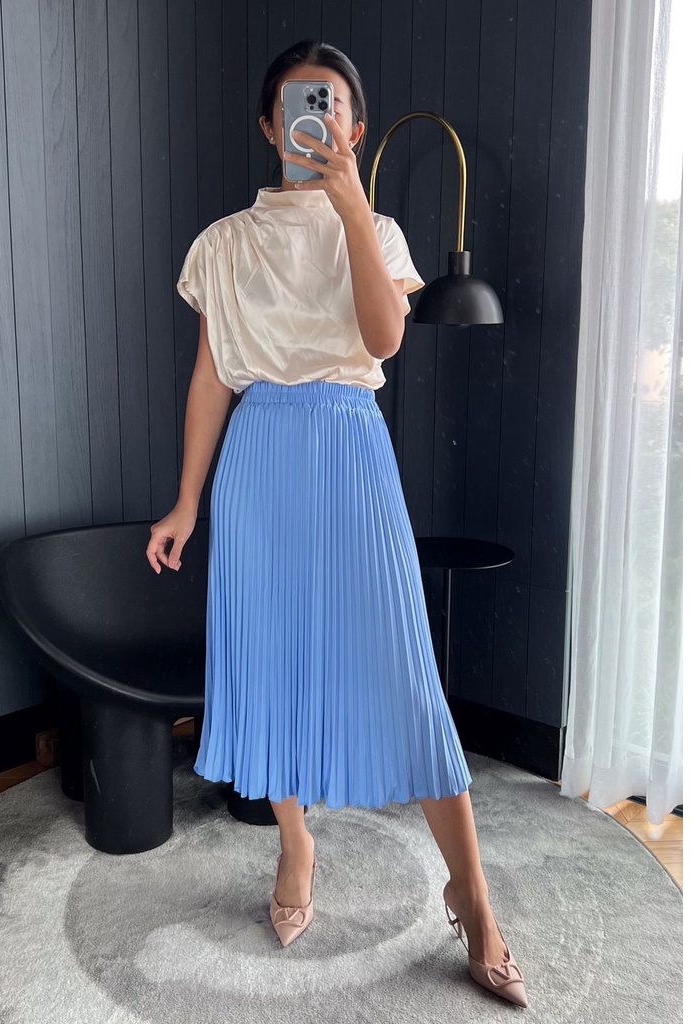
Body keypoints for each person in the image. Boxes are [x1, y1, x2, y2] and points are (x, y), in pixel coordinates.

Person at [146, 40, 527, 1009]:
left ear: (354, 127)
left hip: (351, 452)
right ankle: (296, 844)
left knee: (404, 672)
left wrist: (353, 207)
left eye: (334, 107)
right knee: (270, 660)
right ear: (270, 127)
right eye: (296, 107)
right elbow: (211, 377)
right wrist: (186, 500)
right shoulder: (223, 243)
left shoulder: (382, 230)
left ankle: (471, 893)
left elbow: (383, 337)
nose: (316, 121)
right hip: (258, 461)